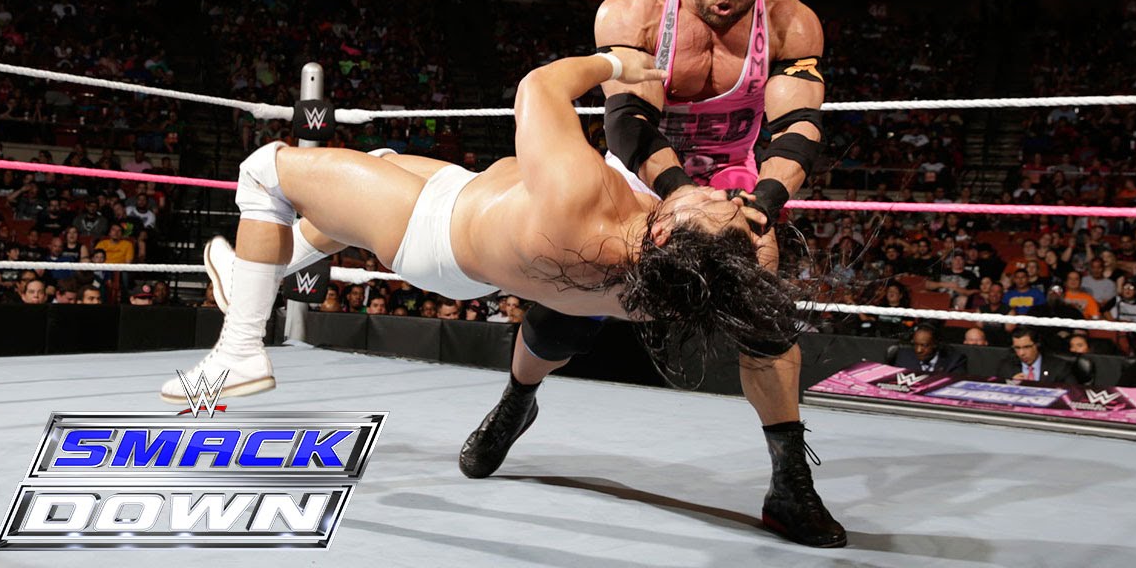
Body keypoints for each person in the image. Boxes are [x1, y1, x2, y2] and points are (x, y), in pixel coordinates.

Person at [461, 0, 844, 549]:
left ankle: (789, 483)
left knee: (765, 316)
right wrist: (678, 195)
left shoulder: (790, 21)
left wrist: (764, 202)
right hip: (643, 175)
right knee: (566, 310)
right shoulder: (634, 11)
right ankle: (516, 401)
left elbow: (799, 127)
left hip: (732, 181)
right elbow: (629, 122)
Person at [166, 50, 786, 411]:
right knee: (371, 169)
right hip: (467, 236)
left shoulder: (581, 199)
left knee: (265, 172)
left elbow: (538, 86)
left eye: (716, 205)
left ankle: (239, 349)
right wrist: (747, 225)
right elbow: (736, 269)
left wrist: (617, 63)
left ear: (667, 235)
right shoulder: (668, 291)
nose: (717, 191)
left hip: (430, 224)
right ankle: (253, 275)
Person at [995, 326, 1074, 384]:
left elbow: (1073, 393)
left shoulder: (1059, 367)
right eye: (1017, 348)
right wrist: (1010, 385)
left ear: (1038, 345)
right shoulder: (1006, 367)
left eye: (1027, 347)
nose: (1021, 353)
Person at [891, 324, 967, 374]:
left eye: (924, 345)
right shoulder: (903, 358)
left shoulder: (954, 361)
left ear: (935, 344)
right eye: (915, 344)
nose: (918, 350)